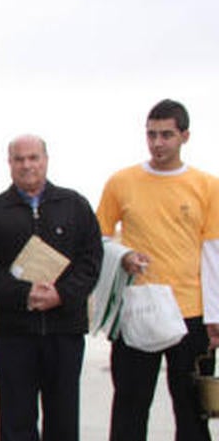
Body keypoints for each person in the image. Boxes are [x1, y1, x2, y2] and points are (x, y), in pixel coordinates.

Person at [96, 99, 219, 441]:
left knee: (193, 412)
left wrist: (215, 315)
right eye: (151, 135)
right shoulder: (121, 182)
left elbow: (213, 253)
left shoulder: (207, 186)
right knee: (130, 409)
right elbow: (99, 239)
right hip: (138, 310)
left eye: (166, 135)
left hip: (190, 313)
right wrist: (123, 256)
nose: (157, 143)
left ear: (185, 136)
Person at [0, 135, 101, 441]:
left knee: (63, 419)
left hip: (64, 331)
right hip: (13, 333)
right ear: (9, 163)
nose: (26, 165)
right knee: (16, 421)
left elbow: (91, 259)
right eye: (19, 159)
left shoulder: (75, 206)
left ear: (46, 160)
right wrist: (23, 295)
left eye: (33, 158)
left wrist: (62, 295)